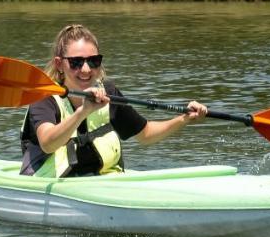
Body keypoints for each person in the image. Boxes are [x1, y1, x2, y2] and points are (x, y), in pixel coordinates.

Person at [20, 24, 208, 177]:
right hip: (52, 185)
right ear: (59, 64)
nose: (86, 69)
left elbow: (146, 134)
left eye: (93, 61)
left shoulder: (108, 92)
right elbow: (48, 143)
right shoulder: (44, 96)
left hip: (103, 182)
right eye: (76, 62)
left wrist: (184, 119)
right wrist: (83, 112)